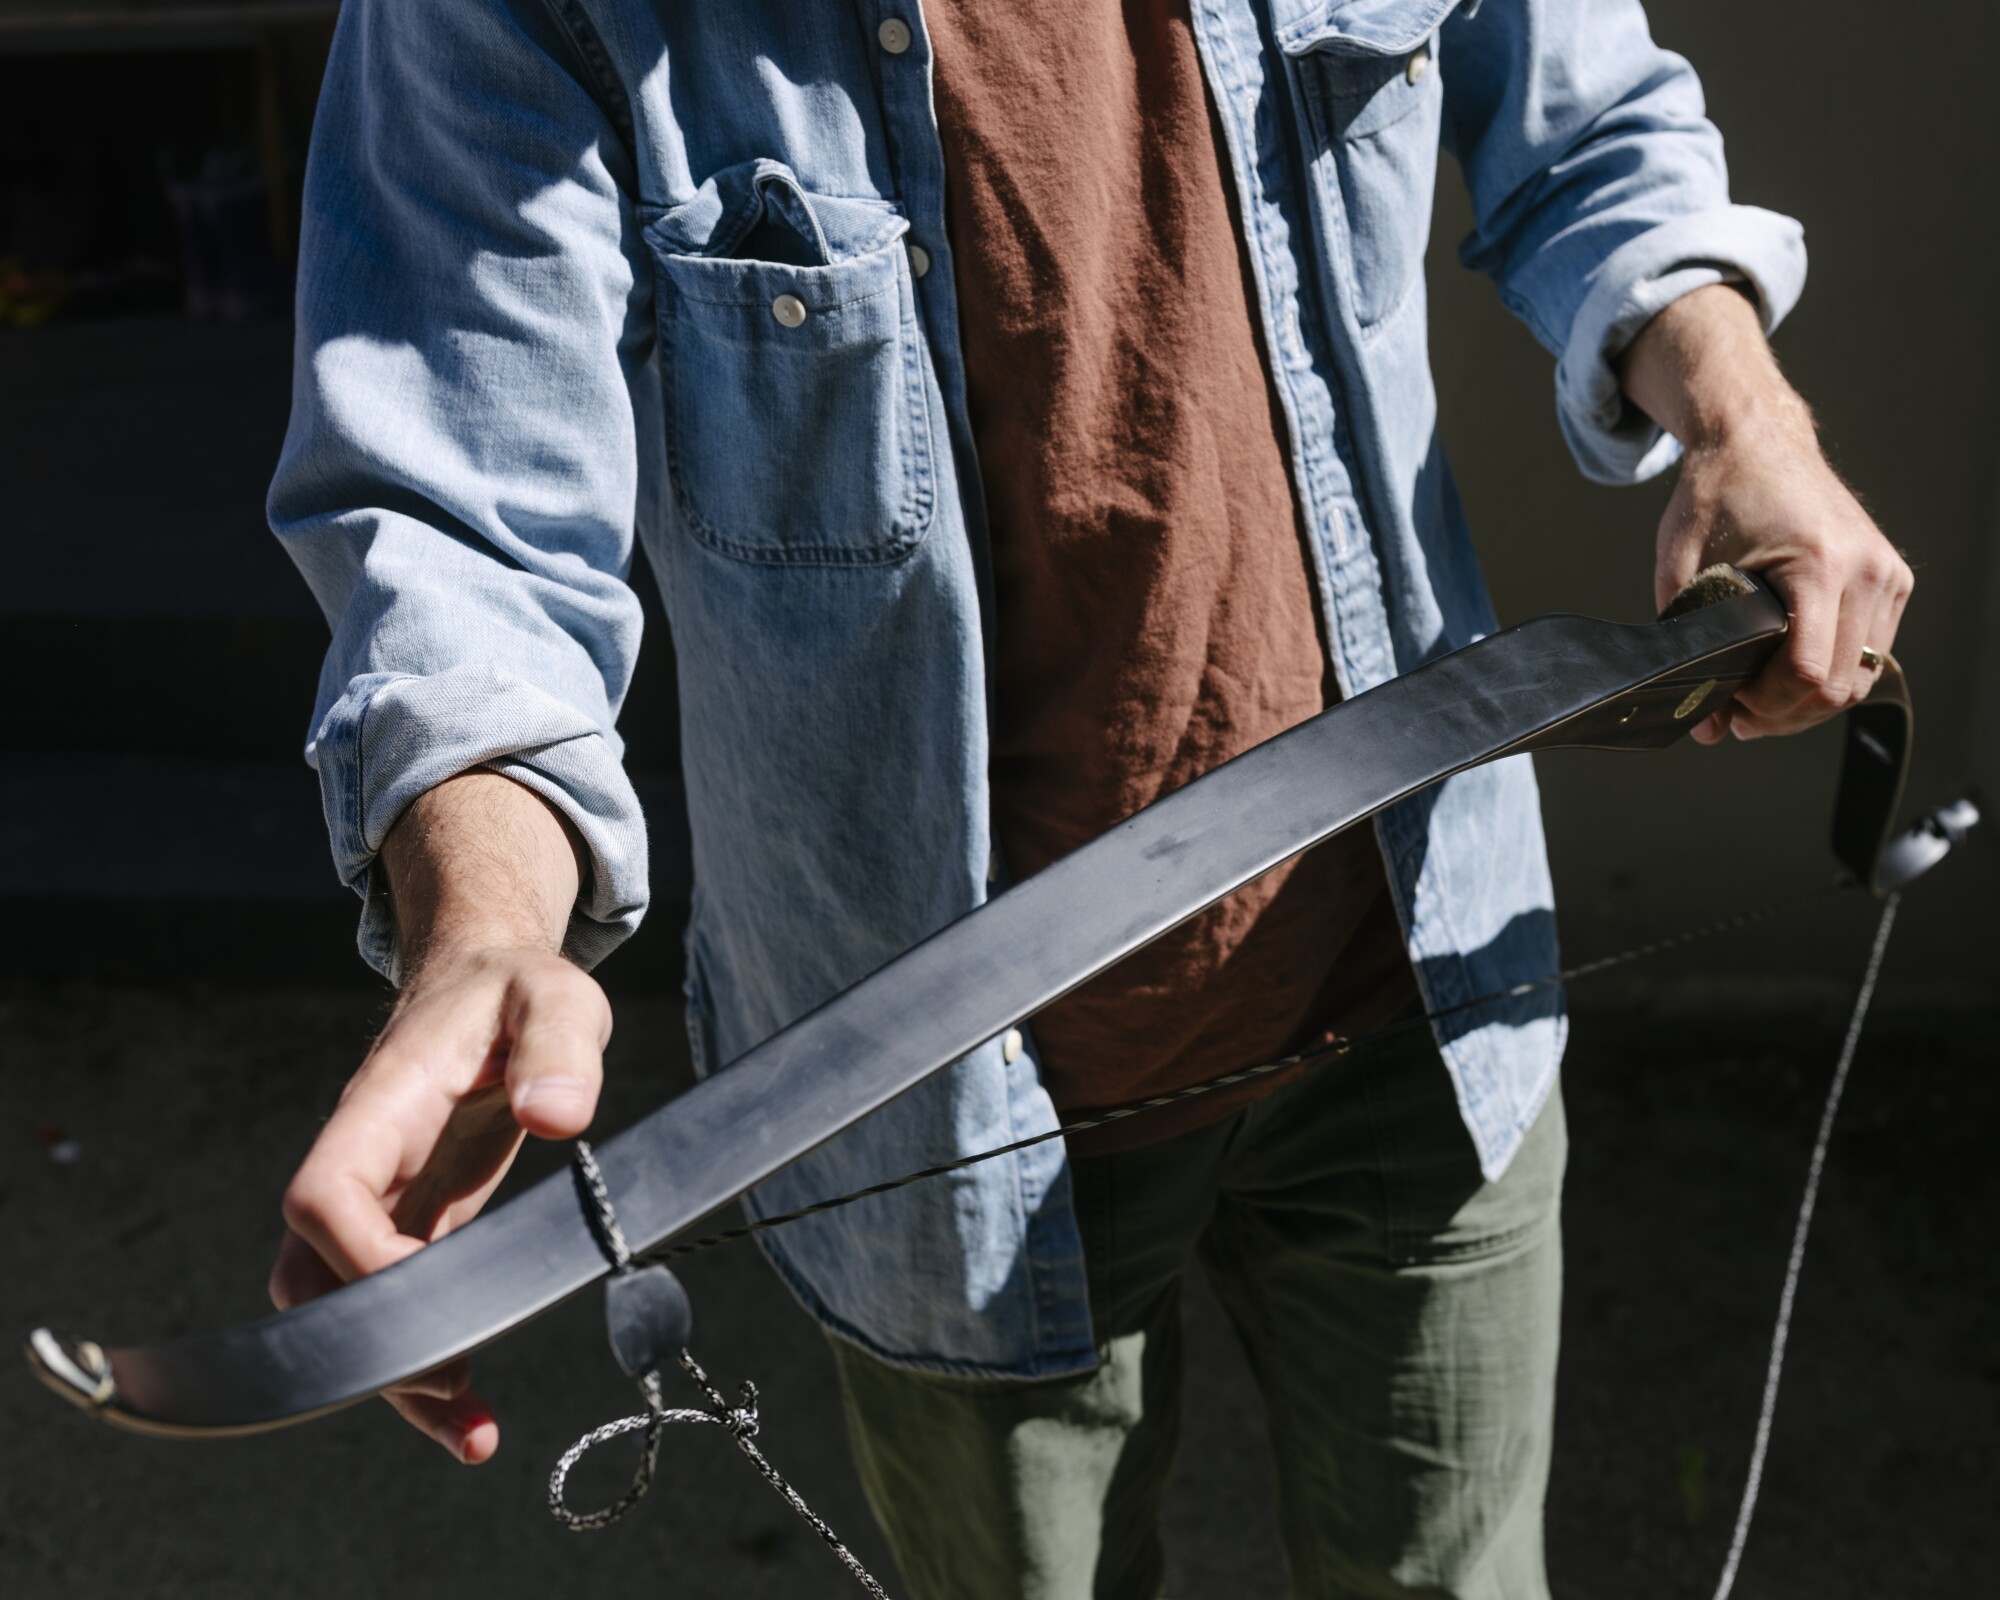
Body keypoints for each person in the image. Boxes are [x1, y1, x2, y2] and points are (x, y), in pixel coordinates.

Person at [263, 2, 1910, 1596]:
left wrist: (1742, 413)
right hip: (937, 1118)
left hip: (1418, 979)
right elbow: (465, 518)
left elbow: (1583, 118)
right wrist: (481, 927)